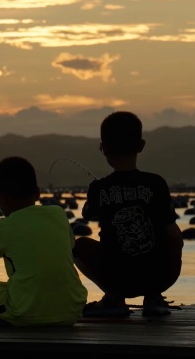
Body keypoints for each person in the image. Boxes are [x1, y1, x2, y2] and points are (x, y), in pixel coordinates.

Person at [0, 157, 87, 326]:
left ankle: (19, 321)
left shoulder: (1, 228)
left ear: (0, 198)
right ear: (37, 193)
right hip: (71, 311)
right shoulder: (58, 214)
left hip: (26, 310)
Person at [75, 111, 183, 317]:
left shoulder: (98, 188)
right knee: (173, 235)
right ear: (141, 146)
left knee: (79, 246)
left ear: (103, 148)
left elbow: (87, 213)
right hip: (160, 275)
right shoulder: (156, 183)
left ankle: (113, 297)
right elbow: (174, 236)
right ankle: (153, 297)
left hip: (117, 277)